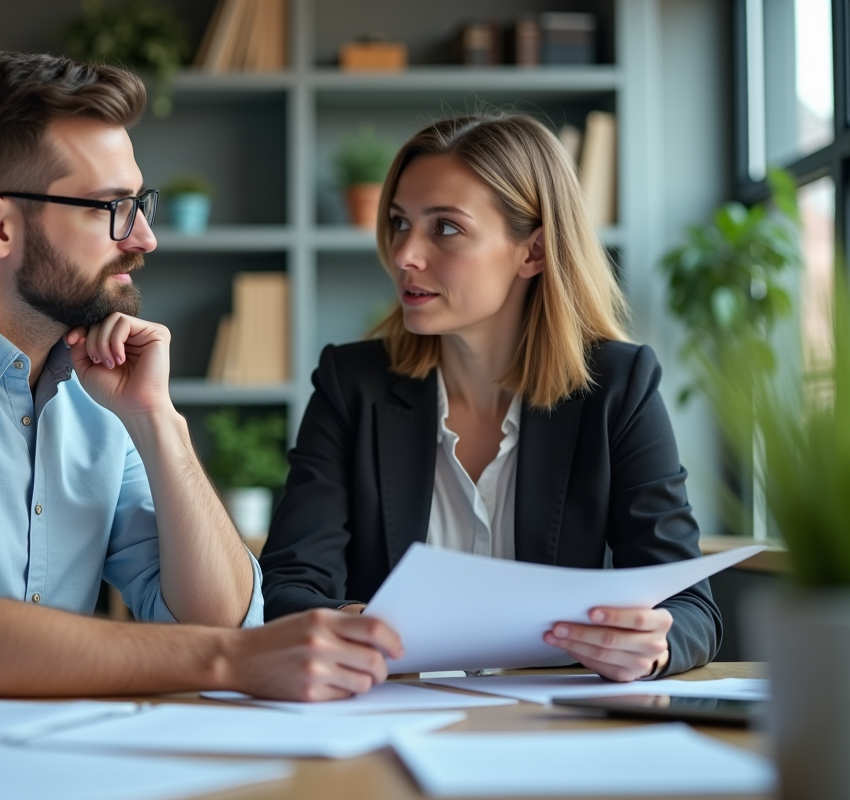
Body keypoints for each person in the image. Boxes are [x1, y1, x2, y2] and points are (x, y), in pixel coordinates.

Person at [0, 52, 401, 702]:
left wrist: (156, 421)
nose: (144, 237)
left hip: (41, 760)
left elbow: (221, 621)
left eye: (139, 202)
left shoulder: (97, 390)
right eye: (109, 207)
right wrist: (232, 660)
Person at [259, 113, 721, 682]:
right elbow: (290, 586)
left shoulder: (617, 386)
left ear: (533, 253)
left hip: (553, 729)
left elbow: (692, 607)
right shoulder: (350, 382)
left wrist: (656, 644)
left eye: (445, 228)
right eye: (400, 223)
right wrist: (351, 627)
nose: (405, 254)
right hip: (388, 716)